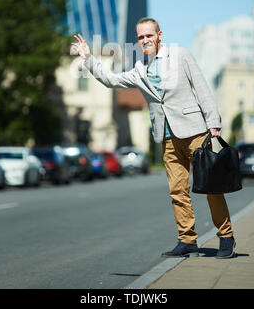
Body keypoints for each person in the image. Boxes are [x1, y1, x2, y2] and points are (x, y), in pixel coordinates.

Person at [70, 18, 235, 259]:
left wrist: (214, 123)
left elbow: (202, 88)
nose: (145, 40)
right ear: (137, 41)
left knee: (211, 187)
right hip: (167, 137)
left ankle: (226, 237)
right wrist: (87, 58)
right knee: (178, 191)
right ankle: (187, 239)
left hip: (195, 132)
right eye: (140, 37)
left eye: (149, 35)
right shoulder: (139, 70)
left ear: (159, 35)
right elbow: (111, 80)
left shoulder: (180, 55)